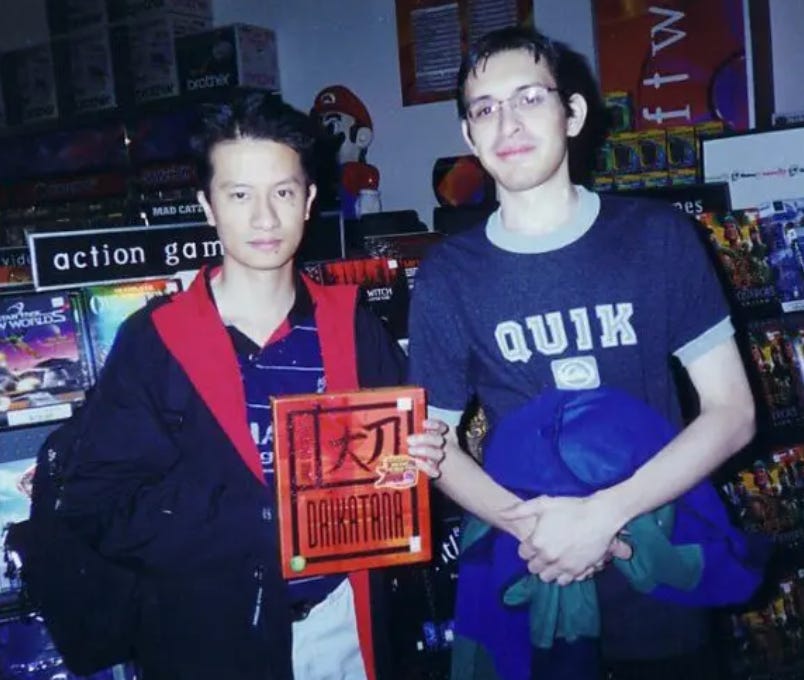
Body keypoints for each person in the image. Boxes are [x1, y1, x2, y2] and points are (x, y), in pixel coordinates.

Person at [55, 93, 445, 680]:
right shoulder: (156, 341)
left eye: (283, 193)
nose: (265, 218)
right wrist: (261, 516)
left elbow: (397, 470)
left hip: (341, 626)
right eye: (240, 195)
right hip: (208, 638)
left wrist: (418, 458)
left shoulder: (352, 325)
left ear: (309, 201)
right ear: (207, 206)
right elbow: (98, 508)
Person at [407, 25, 756, 680]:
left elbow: (732, 412)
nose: (507, 122)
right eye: (485, 108)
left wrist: (602, 517)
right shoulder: (448, 276)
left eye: (529, 98)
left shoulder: (658, 237)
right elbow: (434, 446)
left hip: (660, 566)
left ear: (572, 113)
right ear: (468, 136)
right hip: (530, 570)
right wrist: (536, 530)